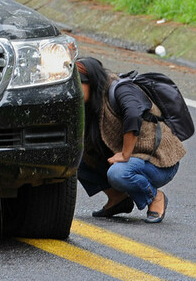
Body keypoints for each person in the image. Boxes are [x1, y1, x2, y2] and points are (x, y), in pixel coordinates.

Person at [76, 57, 185, 224]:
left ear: (92, 82)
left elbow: (133, 114)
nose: (74, 90)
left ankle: (155, 197)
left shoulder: (121, 89)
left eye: (78, 85)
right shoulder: (92, 102)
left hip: (158, 162)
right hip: (130, 160)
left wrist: (126, 154)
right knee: (74, 157)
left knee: (119, 173)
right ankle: (117, 199)